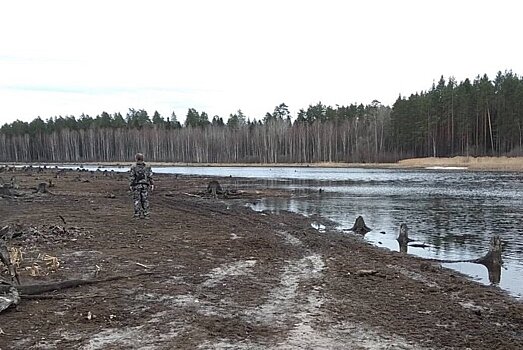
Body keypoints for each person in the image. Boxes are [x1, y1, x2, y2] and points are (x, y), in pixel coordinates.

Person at [129, 153, 154, 219]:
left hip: (136, 186)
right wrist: (152, 184)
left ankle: (137, 214)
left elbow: (132, 176)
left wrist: (131, 184)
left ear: (136, 158)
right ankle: (146, 214)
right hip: (145, 185)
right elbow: (150, 176)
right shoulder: (147, 166)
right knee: (145, 200)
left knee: (137, 200)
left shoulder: (133, 166)